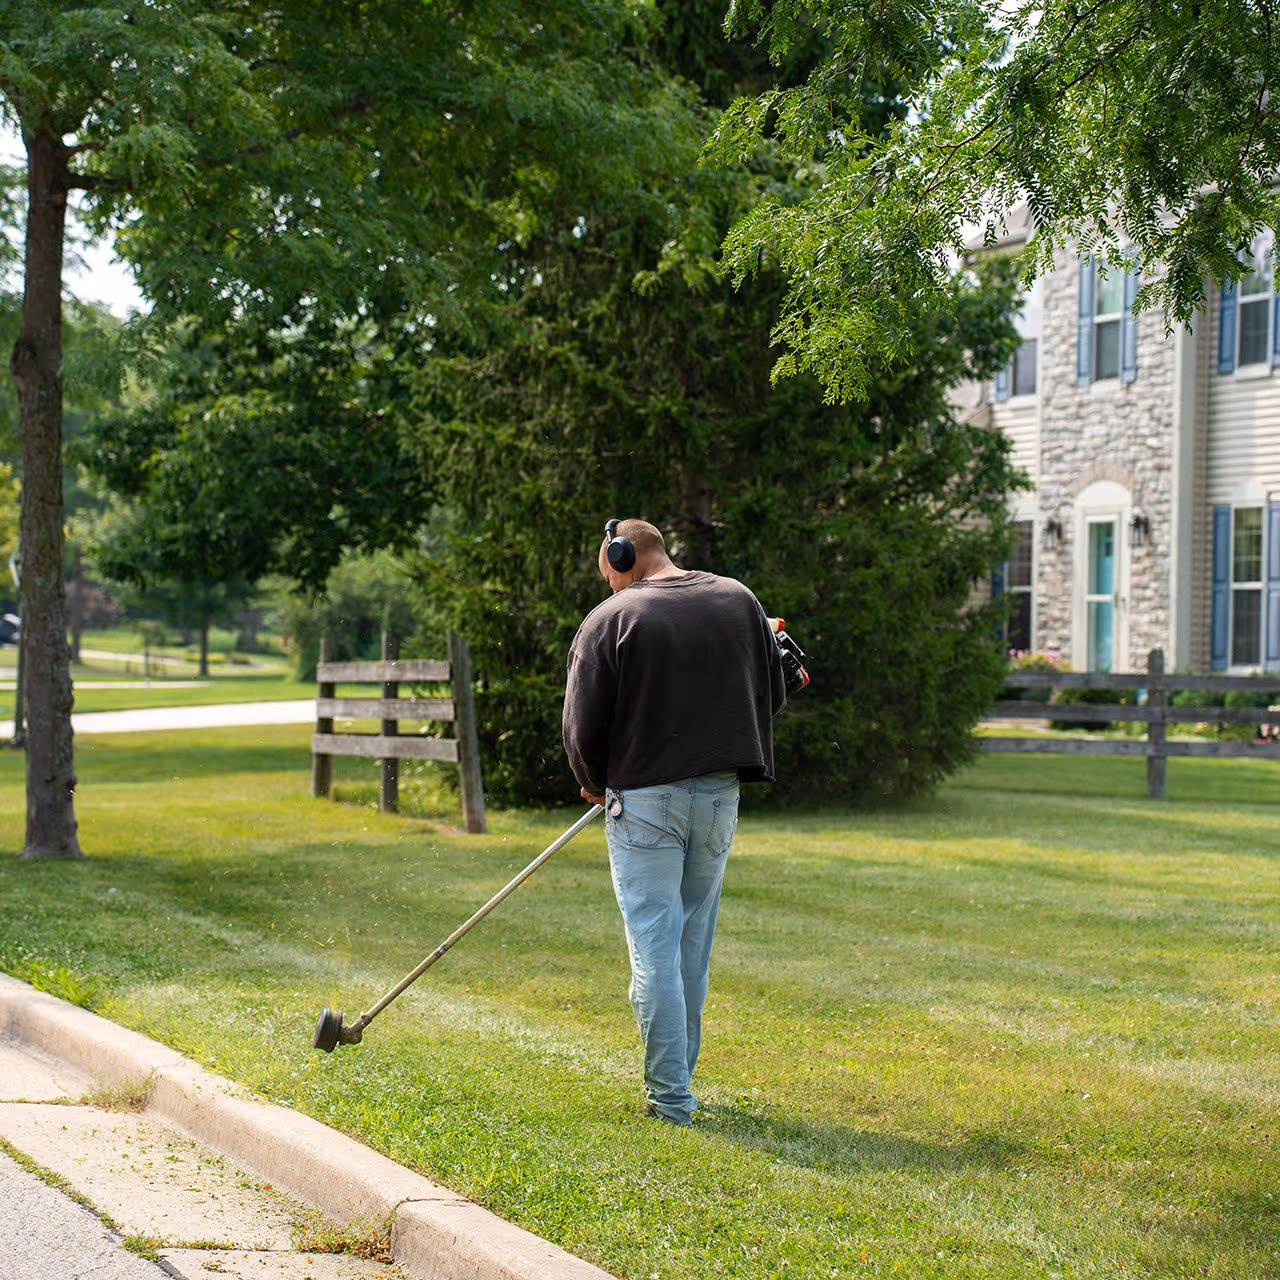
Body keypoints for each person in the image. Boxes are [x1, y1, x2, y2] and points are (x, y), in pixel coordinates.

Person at [563, 518, 786, 1126]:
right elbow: (775, 690)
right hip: (719, 799)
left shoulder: (611, 619)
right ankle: (679, 1080)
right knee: (690, 944)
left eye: (606, 566)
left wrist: (592, 779)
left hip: (643, 801)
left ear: (622, 554)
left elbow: (581, 723)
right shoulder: (740, 600)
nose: (607, 580)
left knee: (654, 946)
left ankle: (670, 1100)